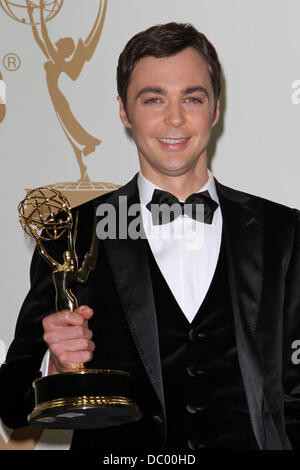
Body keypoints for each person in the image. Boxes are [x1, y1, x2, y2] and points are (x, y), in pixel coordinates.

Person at [1, 22, 300, 451]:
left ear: (215, 110)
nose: (174, 118)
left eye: (192, 98)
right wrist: (55, 366)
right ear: (124, 110)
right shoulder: (70, 233)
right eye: (153, 98)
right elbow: (12, 403)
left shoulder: (283, 231)